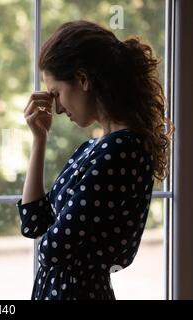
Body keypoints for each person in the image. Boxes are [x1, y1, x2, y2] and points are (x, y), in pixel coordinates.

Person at [16, 20, 174, 300]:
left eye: (56, 94)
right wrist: (39, 139)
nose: (58, 108)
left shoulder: (123, 151)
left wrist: (50, 236)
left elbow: (53, 248)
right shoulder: (92, 148)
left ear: (83, 80)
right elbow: (32, 223)